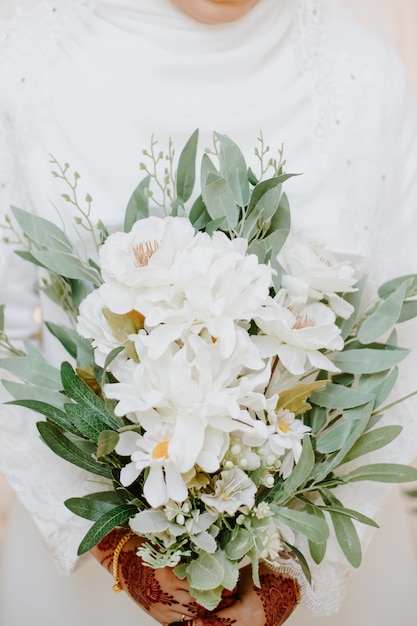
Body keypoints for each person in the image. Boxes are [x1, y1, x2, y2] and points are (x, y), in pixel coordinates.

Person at [1, 0, 417, 624]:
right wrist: (124, 555)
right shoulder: (24, 61)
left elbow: (400, 337)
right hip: (89, 579)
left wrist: (285, 580)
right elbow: (10, 335)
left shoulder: (362, 75)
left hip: (312, 561)